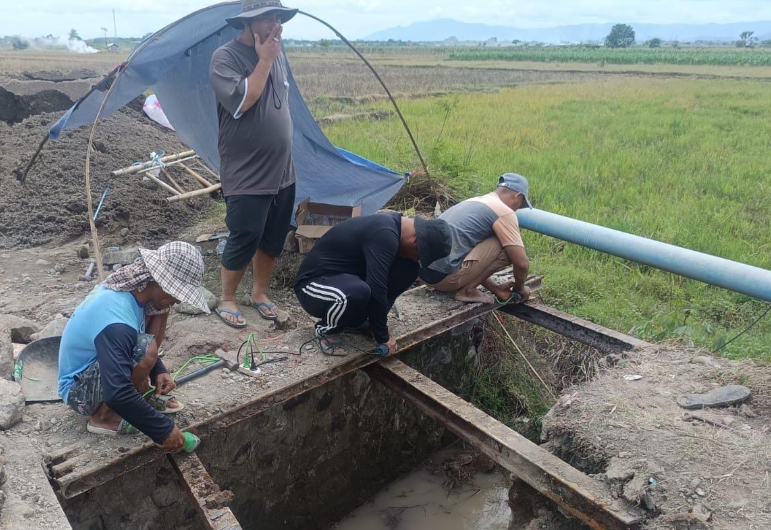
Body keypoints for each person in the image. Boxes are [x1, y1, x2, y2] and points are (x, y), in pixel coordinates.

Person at [56, 242, 210, 451]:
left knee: (157, 322)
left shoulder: (135, 295)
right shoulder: (116, 320)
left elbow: (135, 341)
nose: (177, 301)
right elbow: (117, 393)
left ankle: (137, 396)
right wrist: (163, 430)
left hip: (100, 370)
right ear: (164, 285)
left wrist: (158, 370)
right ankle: (104, 418)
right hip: (78, 391)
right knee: (147, 350)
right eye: (178, 294)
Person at [209, 0, 299, 329]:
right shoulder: (226, 57)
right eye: (265, 19)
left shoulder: (276, 54)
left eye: (276, 17)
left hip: (282, 167)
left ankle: (259, 293)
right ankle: (228, 298)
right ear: (247, 23)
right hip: (247, 168)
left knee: (274, 234)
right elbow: (244, 101)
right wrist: (264, 60)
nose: (273, 25)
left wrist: (270, 57)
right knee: (246, 232)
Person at [294, 213, 453, 357]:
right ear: (415, 240)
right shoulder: (384, 233)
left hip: (345, 282)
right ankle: (325, 330)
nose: (414, 258)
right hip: (313, 285)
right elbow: (377, 287)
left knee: (410, 269)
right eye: (418, 254)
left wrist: (376, 325)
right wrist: (383, 337)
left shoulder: (395, 233)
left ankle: (363, 325)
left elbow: (384, 289)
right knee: (358, 291)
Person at [420, 173, 534, 305]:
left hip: (422, 272)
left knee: (482, 239)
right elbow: (521, 263)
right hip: (443, 278)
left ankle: (469, 287)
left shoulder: (473, 201)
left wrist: (495, 288)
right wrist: (520, 289)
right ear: (517, 196)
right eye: (520, 205)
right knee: (507, 247)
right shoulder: (504, 211)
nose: (517, 209)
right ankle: (468, 291)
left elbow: (467, 252)